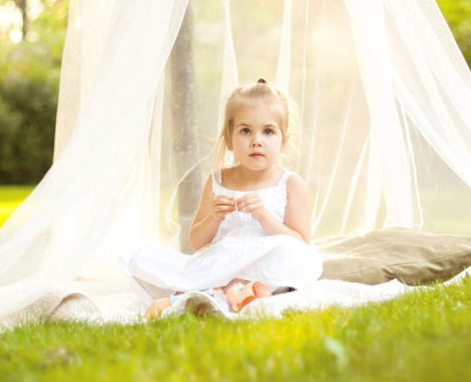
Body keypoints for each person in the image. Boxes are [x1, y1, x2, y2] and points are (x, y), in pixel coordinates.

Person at [120, 78, 323, 319]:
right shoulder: (218, 181)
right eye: (245, 131)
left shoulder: (290, 183)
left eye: (268, 131)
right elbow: (196, 241)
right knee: (144, 259)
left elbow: (300, 242)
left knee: (297, 256)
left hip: (265, 264)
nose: (256, 140)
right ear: (228, 138)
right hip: (223, 261)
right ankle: (216, 294)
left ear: (283, 140)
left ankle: (211, 296)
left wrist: (265, 217)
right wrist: (214, 217)